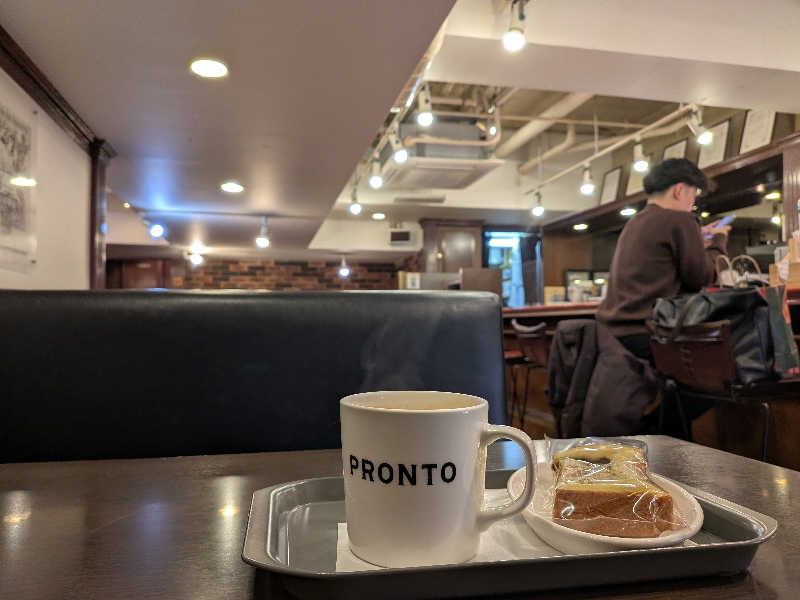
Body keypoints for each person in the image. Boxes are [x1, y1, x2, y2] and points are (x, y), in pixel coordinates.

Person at [596, 158, 730, 362]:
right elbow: (702, 278)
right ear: (679, 190)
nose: (692, 204)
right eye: (693, 195)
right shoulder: (680, 219)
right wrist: (718, 242)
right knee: (726, 359)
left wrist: (695, 238)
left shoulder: (635, 222)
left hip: (612, 336)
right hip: (648, 336)